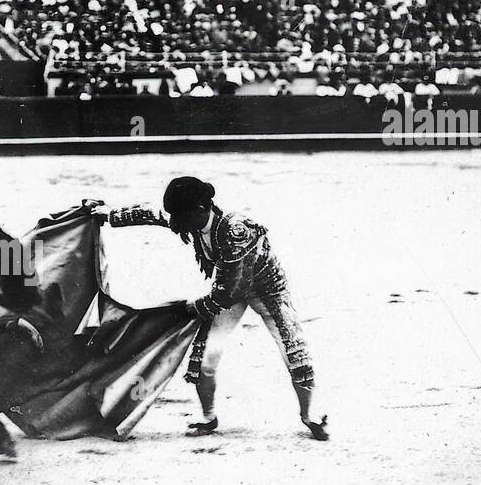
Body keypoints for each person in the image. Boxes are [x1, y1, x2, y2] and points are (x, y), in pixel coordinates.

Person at [94, 177, 329, 441]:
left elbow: (231, 289)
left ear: (202, 209)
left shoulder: (237, 230)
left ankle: (310, 415)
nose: (176, 223)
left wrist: (196, 306)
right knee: (206, 355)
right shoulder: (189, 216)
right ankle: (208, 417)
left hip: (268, 290)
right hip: (229, 290)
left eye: (181, 217)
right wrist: (109, 215)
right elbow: (152, 213)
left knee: (292, 350)